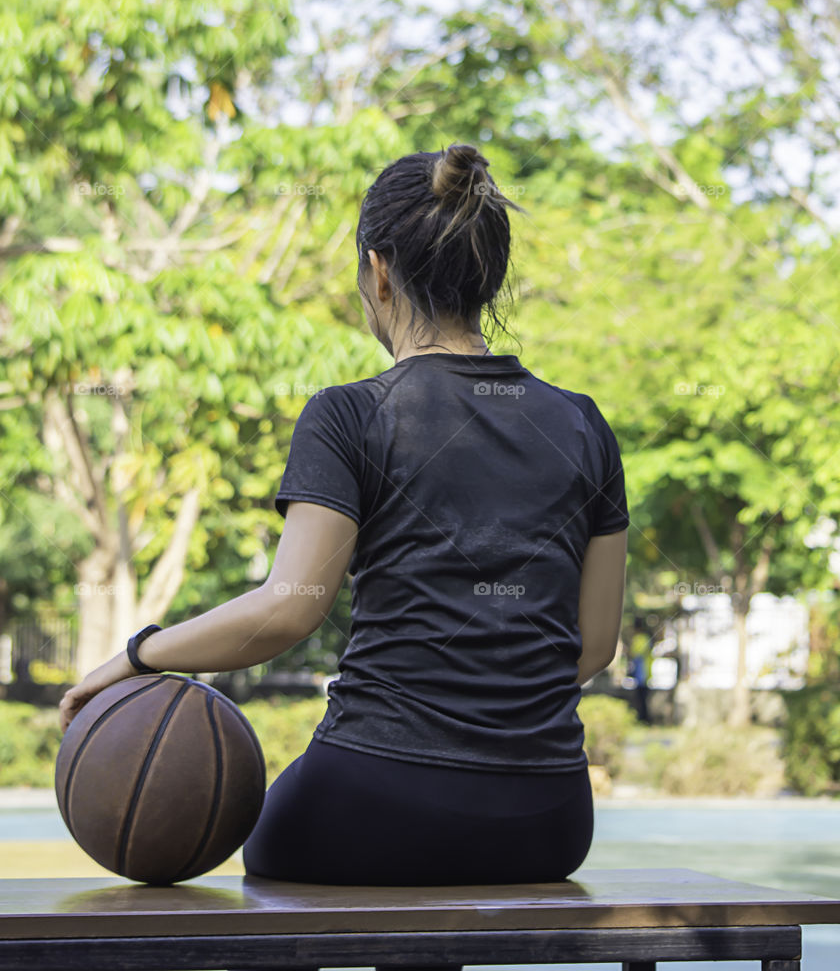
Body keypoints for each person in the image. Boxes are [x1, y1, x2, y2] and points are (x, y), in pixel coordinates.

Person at [59, 142, 630, 898]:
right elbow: (591, 647)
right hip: (550, 820)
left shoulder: (350, 415)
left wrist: (136, 656)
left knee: (258, 839)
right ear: (490, 274)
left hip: (374, 803)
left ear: (378, 271)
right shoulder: (584, 426)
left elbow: (289, 609)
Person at [627, 616, 653, 723]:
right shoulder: (646, 638)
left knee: (641, 699)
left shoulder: (638, 639)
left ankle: (644, 719)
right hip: (645, 673)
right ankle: (644, 718)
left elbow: (634, 654)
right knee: (644, 698)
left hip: (641, 673)